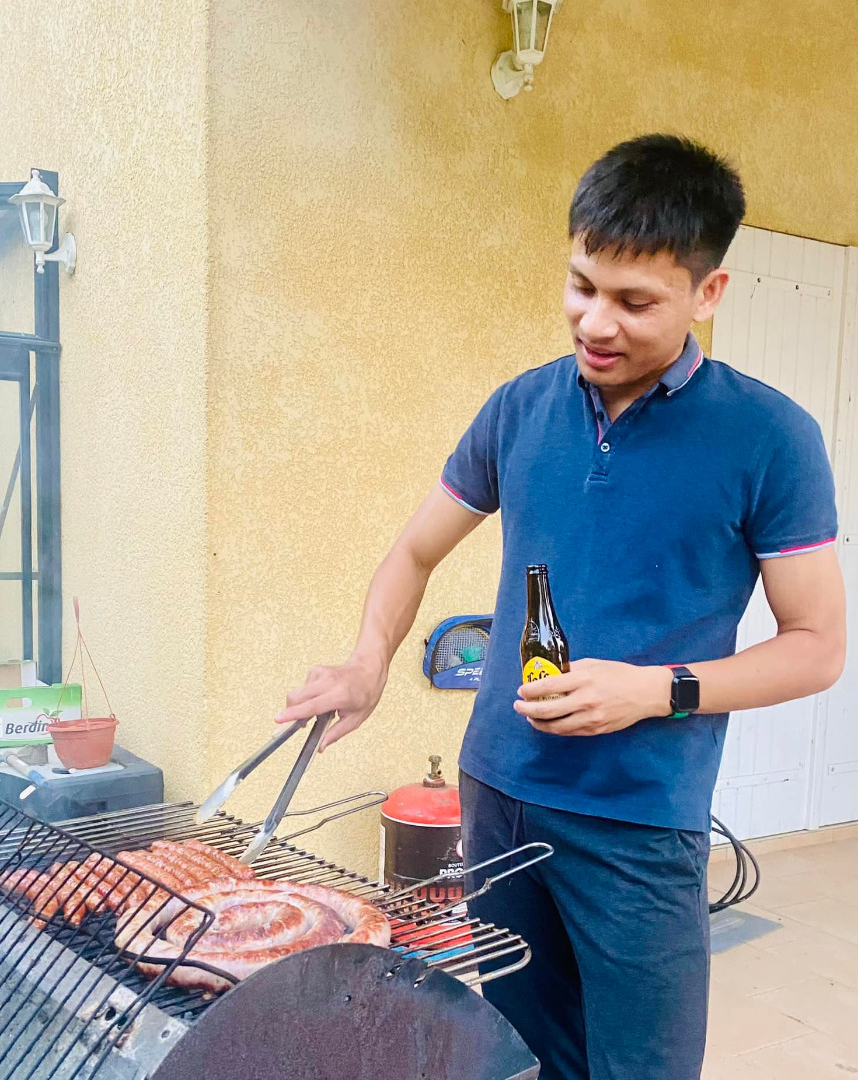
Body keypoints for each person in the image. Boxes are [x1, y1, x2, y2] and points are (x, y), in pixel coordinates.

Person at [275, 134, 846, 1080]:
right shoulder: (519, 407)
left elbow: (816, 646)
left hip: (637, 820)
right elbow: (414, 551)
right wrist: (368, 661)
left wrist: (654, 689)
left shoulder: (769, 437)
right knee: (522, 1052)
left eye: (635, 302)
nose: (595, 321)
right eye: (581, 285)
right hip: (497, 792)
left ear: (708, 293)